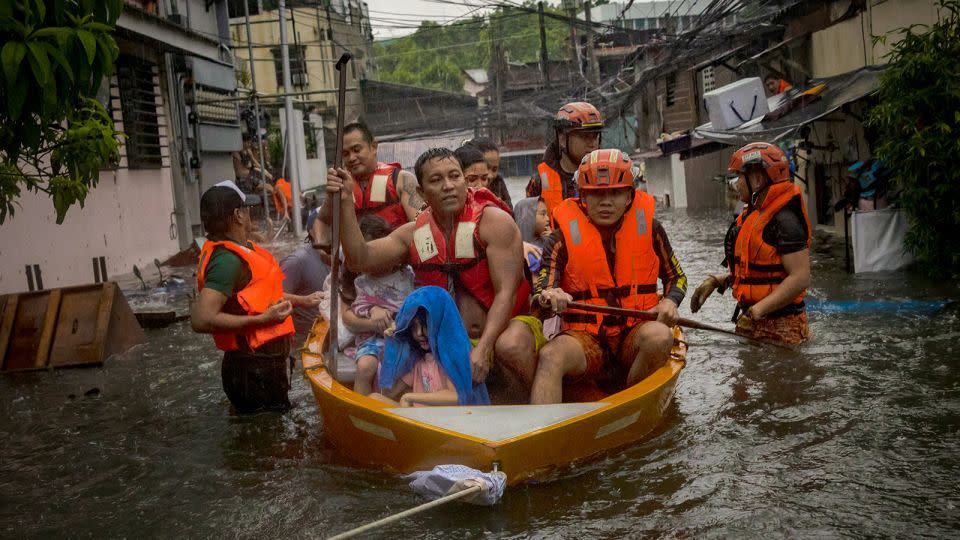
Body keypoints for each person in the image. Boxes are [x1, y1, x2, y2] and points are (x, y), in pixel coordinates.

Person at [325, 147, 530, 396]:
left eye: (454, 176)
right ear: (421, 193)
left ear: (464, 182)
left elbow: (506, 294)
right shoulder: (413, 234)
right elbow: (359, 259)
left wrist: (484, 347)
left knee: (511, 344)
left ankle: (528, 406)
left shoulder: (495, 222)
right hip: (446, 341)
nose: (448, 185)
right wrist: (346, 200)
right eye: (436, 180)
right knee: (391, 379)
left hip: (504, 330)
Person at [529, 149, 687, 404]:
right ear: (583, 197)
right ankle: (538, 434)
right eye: (597, 193)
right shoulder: (559, 240)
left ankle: (631, 403)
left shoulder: (652, 229)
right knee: (551, 355)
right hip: (587, 340)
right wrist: (550, 295)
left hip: (634, 336)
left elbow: (677, 277)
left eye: (615, 192)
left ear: (628, 196)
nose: (606, 201)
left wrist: (670, 301)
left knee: (661, 336)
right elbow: (542, 290)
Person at [191, 180, 318, 413]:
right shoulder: (226, 261)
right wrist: (261, 320)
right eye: (246, 208)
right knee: (266, 441)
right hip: (252, 370)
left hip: (263, 367)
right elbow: (201, 319)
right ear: (238, 215)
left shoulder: (243, 249)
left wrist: (303, 300)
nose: (251, 213)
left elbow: (258, 295)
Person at [689, 142, 811, 345]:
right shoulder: (751, 216)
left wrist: (757, 310)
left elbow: (800, 277)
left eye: (739, 177)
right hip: (752, 322)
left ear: (756, 178)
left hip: (784, 328)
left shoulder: (785, 220)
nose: (736, 184)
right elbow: (754, 273)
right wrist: (717, 281)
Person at [374, 286, 489, 406]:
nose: (419, 333)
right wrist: (391, 348)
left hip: (446, 421)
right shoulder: (418, 359)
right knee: (374, 398)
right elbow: (388, 393)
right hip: (421, 418)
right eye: (414, 327)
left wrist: (410, 397)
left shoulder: (452, 355)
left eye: (426, 325)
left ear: (440, 323)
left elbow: (457, 397)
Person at [348, 215, 416, 395]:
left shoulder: (407, 274)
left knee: (410, 363)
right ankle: (359, 410)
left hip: (403, 335)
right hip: (373, 338)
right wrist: (373, 309)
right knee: (365, 367)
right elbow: (358, 305)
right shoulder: (362, 282)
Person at [321, 121, 423, 231]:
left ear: (373, 147)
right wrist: (330, 197)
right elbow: (323, 225)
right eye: (345, 154)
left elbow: (421, 226)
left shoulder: (403, 179)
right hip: (355, 248)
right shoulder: (339, 186)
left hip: (397, 247)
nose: (351, 158)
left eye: (356, 150)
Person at [524, 102, 603, 217]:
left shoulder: (609, 174)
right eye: (584, 136)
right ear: (562, 139)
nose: (592, 143)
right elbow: (529, 224)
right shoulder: (539, 181)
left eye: (595, 135)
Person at [279, 216, 331, 365]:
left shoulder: (341, 256)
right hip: (304, 345)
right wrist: (303, 300)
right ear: (312, 232)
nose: (331, 228)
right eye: (324, 224)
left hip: (330, 339)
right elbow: (273, 299)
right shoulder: (297, 261)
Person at [465, 137, 512, 208]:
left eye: (494, 169)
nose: (490, 175)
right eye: (486, 167)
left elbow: (509, 212)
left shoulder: (498, 181)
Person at [513, 197, 552, 274]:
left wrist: (553, 240)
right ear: (529, 218)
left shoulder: (547, 239)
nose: (548, 219)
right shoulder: (518, 251)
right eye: (543, 214)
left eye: (547, 214)